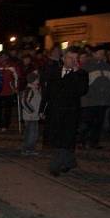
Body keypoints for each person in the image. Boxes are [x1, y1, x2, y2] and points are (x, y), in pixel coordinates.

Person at [44, 47, 89, 176]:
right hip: (55, 111)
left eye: (76, 59)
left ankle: (55, 165)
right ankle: (70, 162)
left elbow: (82, 90)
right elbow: (48, 92)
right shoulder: (55, 72)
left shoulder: (81, 74)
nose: (73, 61)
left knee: (66, 139)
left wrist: (75, 73)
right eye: (70, 58)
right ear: (63, 58)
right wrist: (43, 108)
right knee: (57, 138)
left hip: (71, 112)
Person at [77, 46, 110, 149]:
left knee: (98, 123)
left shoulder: (107, 67)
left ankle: (94, 141)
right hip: (89, 100)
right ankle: (81, 140)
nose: (102, 55)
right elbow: (82, 84)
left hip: (102, 101)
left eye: (103, 53)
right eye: (100, 53)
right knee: (86, 122)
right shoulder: (86, 67)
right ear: (93, 54)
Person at [0, 50, 22, 132]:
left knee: (7, 110)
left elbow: (17, 77)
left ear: (7, 57)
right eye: (0, 56)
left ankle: (5, 125)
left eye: (4, 56)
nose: (2, 58)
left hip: (9, 90)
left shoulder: (12, 65)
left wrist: (16, 87)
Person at [20, 72, 42, 155]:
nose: (38, 80)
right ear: (33, 80)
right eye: (37, 79)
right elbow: (24, 101)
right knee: (30, 134)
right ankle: (27, 149)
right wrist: (32, 111)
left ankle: (31, 149)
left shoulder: (35, 89)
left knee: (34, 134)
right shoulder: (29, 90)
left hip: (34, 116)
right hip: (30, 116)